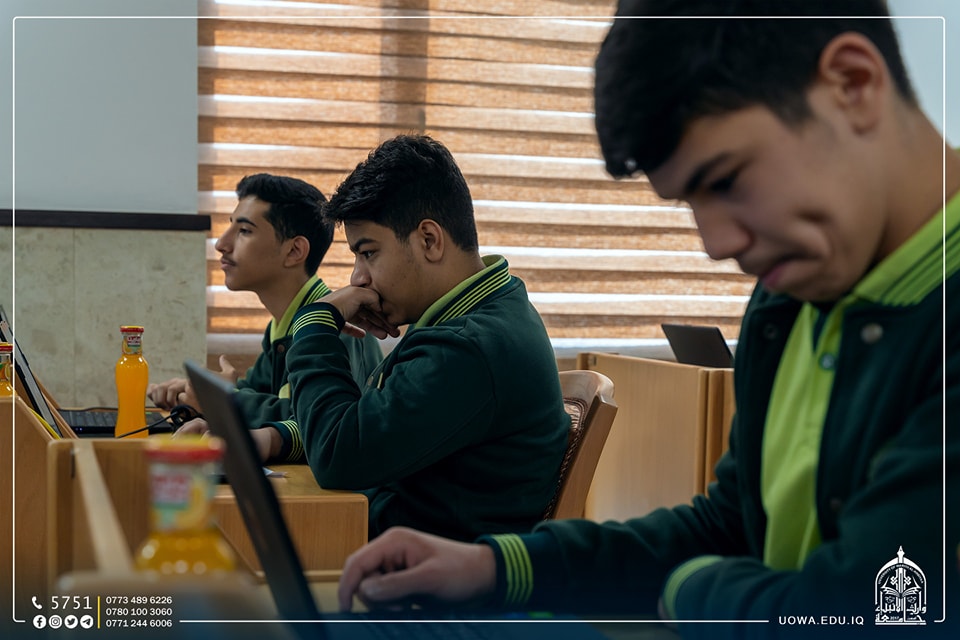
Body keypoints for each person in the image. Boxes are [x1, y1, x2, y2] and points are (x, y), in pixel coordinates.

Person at [335, 1, 960, 636]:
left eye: (727, 180)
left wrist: (690, 588)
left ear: (853, 83)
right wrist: (492, 566)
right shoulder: (790, 301)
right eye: (690, 201)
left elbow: (873, 608)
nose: (716, 243)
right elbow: (729, 526)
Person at [248, 134, 571, 542]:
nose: (357, 278)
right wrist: (280, 438)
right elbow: (375, 425)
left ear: (428, 240)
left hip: (422, 571)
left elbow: (338, 456)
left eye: (368, 253)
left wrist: (313, 324)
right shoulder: (476, 315)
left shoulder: (468, 347)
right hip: (399, 545)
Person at [151, 173, 383, 462]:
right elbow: (258, 395)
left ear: (294, 251)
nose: (221, 243)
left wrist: (224, 400)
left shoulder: (338, 326)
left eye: (244, 231)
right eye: (230, 227)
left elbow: (322, 422)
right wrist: (200, 394)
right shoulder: (280, 326)